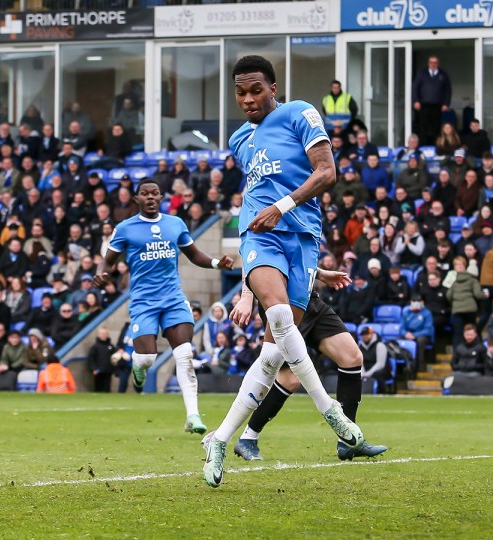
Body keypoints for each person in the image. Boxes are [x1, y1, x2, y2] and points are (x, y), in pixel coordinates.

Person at [203, 57, 366, 488]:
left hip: (303, 237)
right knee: (276, 314)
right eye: (240, 92)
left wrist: (284, 208)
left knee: (275, 353)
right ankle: (330, 410)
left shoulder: (299, 113)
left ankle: (221, 438)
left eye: (255, 90)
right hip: (260, 234)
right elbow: (257, 197)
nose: (248, 99)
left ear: (273, 87)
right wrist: (243, 289)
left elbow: (326, 172)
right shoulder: (240, 140)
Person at [94, 177, 232, 424]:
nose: (150, 197)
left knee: (184, 353)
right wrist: (101, 272)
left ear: (160, 197)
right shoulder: (125, 228)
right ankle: (139, 367)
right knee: (147, 358)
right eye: (144, 193)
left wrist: (215, 263)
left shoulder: (175, 224)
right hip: (143, 301)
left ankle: (193, 415)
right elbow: (108, 259)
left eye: (154, 193)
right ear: (136, 199)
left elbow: (193, 255)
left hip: (173, 299)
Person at [412, 56, 452, 145]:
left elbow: (447, 90)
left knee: (436, 128)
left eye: (435, 63)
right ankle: (422, 147)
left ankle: (436, 146)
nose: (433, 64)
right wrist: (416, 101)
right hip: (424, 105)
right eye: (431, 62)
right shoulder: (421, 74)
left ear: (438, 64)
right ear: (428, 63)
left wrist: (446, 103)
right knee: (423, 128)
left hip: (437, 106)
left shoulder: (443, 74)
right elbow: (415, 88)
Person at [88, 327, 116, 393]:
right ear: (98, 335)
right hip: (98, 371)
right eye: (101, 334)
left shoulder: (111, 346)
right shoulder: (95, 346)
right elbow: (91, 358)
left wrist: (114, 368)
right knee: (98, 388)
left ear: (107, 335)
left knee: (107, 388)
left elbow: (114, 358)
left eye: (105, 334)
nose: (103, 335)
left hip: (108, 370)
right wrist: (94, 368)